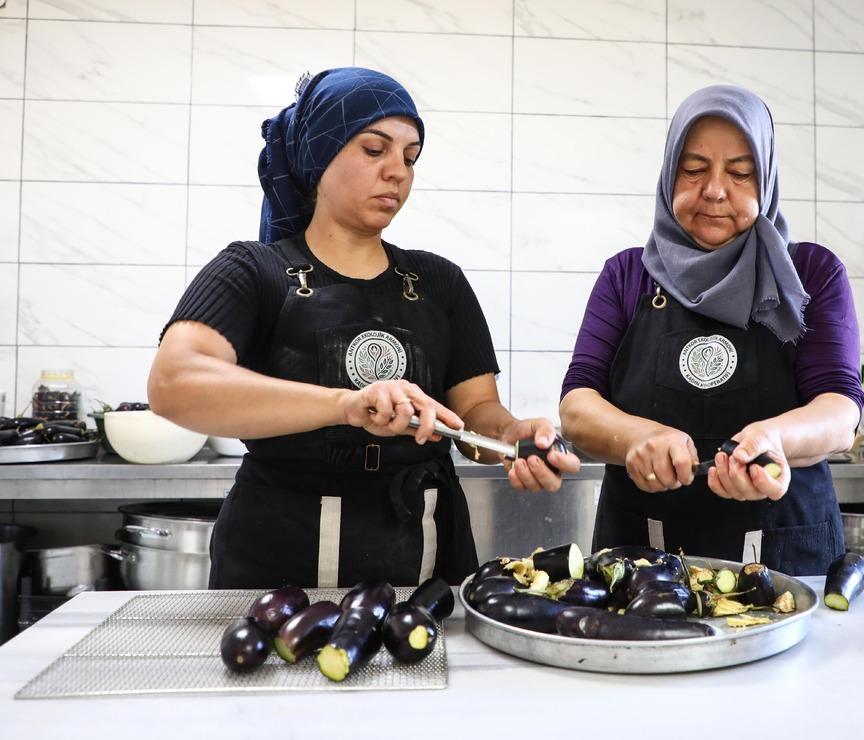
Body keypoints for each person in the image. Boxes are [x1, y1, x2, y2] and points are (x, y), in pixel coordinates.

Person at [148, 68, 579, 589]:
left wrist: (511, 438)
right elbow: (174, 383)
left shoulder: (439, 282)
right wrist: (345, 404)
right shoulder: (253, 271)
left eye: (410, 157)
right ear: (319, 156)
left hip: (422, 573)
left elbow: (475, 417)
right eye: (375, 150)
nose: (397, 171)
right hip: (275, 577)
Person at [559, 85, 863, 576]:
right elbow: (577, 406)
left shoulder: (811, 273)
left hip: (783, 558)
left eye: (741, 173)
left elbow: (841, 411)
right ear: (668, 174)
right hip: (641, 560)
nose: (716, 190)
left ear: (766, 179)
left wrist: (773, 438)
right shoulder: (627, 276)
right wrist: (637, 436)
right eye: (694, 169)